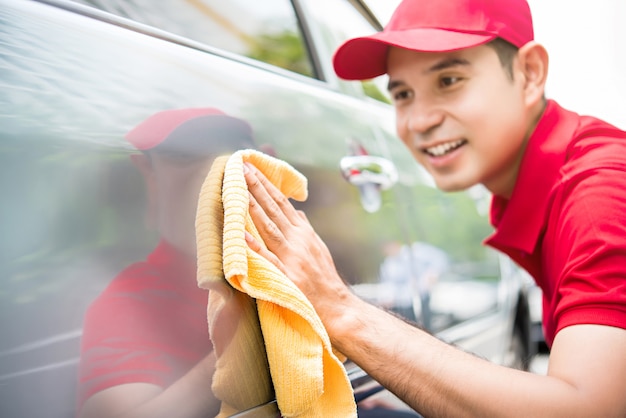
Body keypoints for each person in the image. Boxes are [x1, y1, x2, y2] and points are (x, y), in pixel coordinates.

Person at [241, 0, 626, 416]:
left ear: (529, 73)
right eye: (403, 94)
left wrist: (340, 310)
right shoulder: (558, 181)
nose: (419, 120)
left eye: (449, 80)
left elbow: (589, 410)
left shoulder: (598, 194)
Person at [77, 108, 257, 418]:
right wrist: (245, 340)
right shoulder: (130, 301)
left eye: (232, 155)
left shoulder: (289, 262)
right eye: (186, 157)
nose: (216, 176)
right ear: (147, 177)